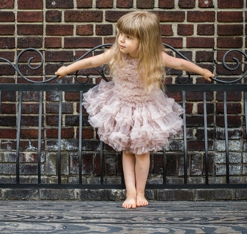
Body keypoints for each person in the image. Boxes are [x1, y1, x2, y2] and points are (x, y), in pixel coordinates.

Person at [55, 10, 214, 209]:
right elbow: (91, 61)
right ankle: (130, 193)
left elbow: (181, 63)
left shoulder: (155, 57)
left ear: (145, 40)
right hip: (120, 106)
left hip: (146, 109)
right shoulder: (117, 53)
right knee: (127, 150)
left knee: (142, 152)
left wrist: (202, 71)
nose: (121, 40)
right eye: (120, 34)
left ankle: (140, 192)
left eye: (128, 37)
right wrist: (66, 69)